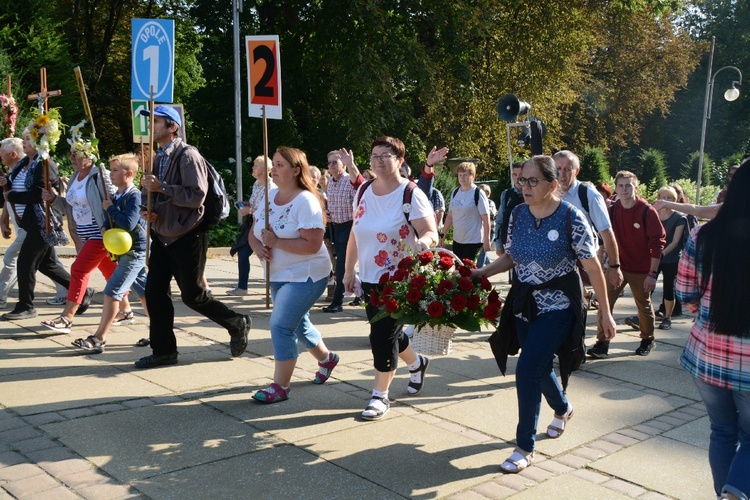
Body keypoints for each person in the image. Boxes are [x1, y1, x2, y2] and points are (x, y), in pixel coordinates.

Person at [474, 155, 616, 473]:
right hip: (524, 304)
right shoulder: (518, 213)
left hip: (559, 306)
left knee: (526, 369)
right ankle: (563, 408)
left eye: (532, 180)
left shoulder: (571, 216)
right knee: (538, 368)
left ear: (553, 184)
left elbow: (593, 268)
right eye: (521, 180)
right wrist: (479, 273)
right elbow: (511, 256)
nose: (524, 186)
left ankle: (525, 445)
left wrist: (605, 314)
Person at [136, 105, 251, 368]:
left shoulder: (188, 156)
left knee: (193, 295)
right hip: (163, 235)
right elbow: (150, 193)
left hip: (189, 234)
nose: (151, 125)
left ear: (172, 127)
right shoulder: (156, 157)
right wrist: (148, 210)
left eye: (156, 121)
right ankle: (164, 351)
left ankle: (237, 322)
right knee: (154, 294)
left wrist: (162, 187)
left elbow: (196, 196)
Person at [343, 136, 438, 421]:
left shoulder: (411, 193)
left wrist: (425, 242)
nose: (379, 161)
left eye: (386, 156)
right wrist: (349, 271)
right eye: (374, 156)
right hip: (370, 277)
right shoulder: (363, 191)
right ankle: (417, 363)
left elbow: (430, 231)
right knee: (390, 333)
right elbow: (355, 234)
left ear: (399, 161)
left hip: (400, 278)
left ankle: (379, 395)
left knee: (381, 336)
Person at [676, 161, 750, 500]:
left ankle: (726, 494)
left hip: (707, 355)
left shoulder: (703, 235)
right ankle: (733, 495)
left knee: (721, 432)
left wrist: (702, 310)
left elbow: (685, 293)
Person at [248, 147, 338, 403]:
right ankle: (328, 359)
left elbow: (312, 244)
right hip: (277, 273)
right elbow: (253, 232)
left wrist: (275, 242)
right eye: (273, 164)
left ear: (296, 170)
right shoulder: (269, 195)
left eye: (279, 165)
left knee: (281, 325)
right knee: (299, 324)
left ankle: (281, 386)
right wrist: (258, 249)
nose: (273, 169)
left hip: (307, 274)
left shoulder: (306, 201)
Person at [39, 131, 118, 333]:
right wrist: (53, 199)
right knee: (112, 273)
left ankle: (67, 317)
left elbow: (115, 198)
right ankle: (126, 309)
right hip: (82, 235)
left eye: (77, 154)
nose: (72, 158)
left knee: (78, 270)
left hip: (100, 234)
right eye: (70, 154)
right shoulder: (75, 177)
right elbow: (70, 207)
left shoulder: (99, 175)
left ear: (89, 155)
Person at [71, 154, 149, 352]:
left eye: (115, 171)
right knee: (147, 293)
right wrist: (105, 226)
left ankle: (99, 339)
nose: (111, 174)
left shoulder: (134, 195)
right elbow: (110, 220)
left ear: (129, 174)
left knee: (112, 291)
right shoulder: (116, 195)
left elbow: (128, 222)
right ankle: (159, 333)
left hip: (134, 251)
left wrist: (111, 209)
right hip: (124, 250)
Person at [588, 171, 665, 358]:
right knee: (604, 304)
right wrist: (605, 264)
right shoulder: (612, 210)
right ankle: (602, 343)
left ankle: (647, 339)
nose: (624, 189)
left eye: (628, 185)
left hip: (642, 270)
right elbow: (604, 237)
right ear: (615, 188)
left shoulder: (647, 211)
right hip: (618, 267)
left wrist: (652, 274)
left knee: (643, 305)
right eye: (620, 185)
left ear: (636, 187)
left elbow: (658, 243)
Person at [0, 129, 71, 320]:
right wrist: (5, 182)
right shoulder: (24, 162)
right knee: (47, 265)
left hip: (43, 220)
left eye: (27, 139)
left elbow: (38, 195)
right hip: (30, 222)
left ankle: (26, 306)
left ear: (40, 143)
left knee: (25, 263)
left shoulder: (44, 164)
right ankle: (82, 291)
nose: (24, 142)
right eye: (23, 139)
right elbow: (13, 183)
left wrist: (11, 195)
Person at [553, 150, 623, 290]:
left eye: (568, 169)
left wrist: (614, 266)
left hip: (582, 264)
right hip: (554, 265)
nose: (562, 174)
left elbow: (606, 232)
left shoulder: (588, 195)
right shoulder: (546, 193)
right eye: (558, 169)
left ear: (576, 171)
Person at [321, 148, 363, 313]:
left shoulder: (348, 180)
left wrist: (351, 164)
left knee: (341, 267)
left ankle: (337, 302)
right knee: (346, 266)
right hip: (335, 228)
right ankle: (361, 293)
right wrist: (327, 213)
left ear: (343, 165)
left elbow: (358, 192)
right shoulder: (331, 181)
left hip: (349, 227)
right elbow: (331, 202)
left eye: (335, 162)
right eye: (329, 162)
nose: (331, 166)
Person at [227, 155, 275, 296]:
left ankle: (273, 287)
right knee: (243, 254)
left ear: (264, 169)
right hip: (252, 224)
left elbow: (267, 209)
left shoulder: (271, 186)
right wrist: (247, 205)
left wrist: (249, 210)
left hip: (264, 226)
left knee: (265, 258)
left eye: (255, 165)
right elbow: (256, 205)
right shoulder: (256, 184)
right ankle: (242, 287)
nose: (253, 168)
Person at [440, 162, 491, 262]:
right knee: (458, 270)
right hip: (457, 239)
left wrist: (487, 240)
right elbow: (450, 216)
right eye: (460, 175)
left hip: (473, 240)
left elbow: (486, 218)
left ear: (472, 176)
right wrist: (443, 234)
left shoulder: (478, 193)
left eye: (465, 175)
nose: (462, 178)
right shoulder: (455, 192)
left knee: (467, 271)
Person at [653, 186, 687, 331]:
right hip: (653, 257)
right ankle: (643, 315)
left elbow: (675, 241)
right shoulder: (653, 214)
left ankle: (667, 317)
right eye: (663, 197)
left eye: (669, 198)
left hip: (671, 259)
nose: (665, 201)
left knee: (669, 290)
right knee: (646, 287)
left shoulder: (679, 218)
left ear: (675, 200)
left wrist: (662, 253)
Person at [493, 161, 524, 257]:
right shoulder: (506, 195)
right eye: (515, 175)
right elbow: (499, 221)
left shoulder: (534, 194)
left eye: (521, 175)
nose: (518, 178)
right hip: (509, 245)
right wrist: (499, 245)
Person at [476, 183, 497, 268]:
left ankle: (479, 270)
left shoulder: (490, 203)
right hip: (480, 231)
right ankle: (491, 266)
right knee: (482, 251)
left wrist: (483, 212)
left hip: (490, 231)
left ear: (487, 194)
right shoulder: (476, 202)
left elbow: (491, 215)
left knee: (483, 252)